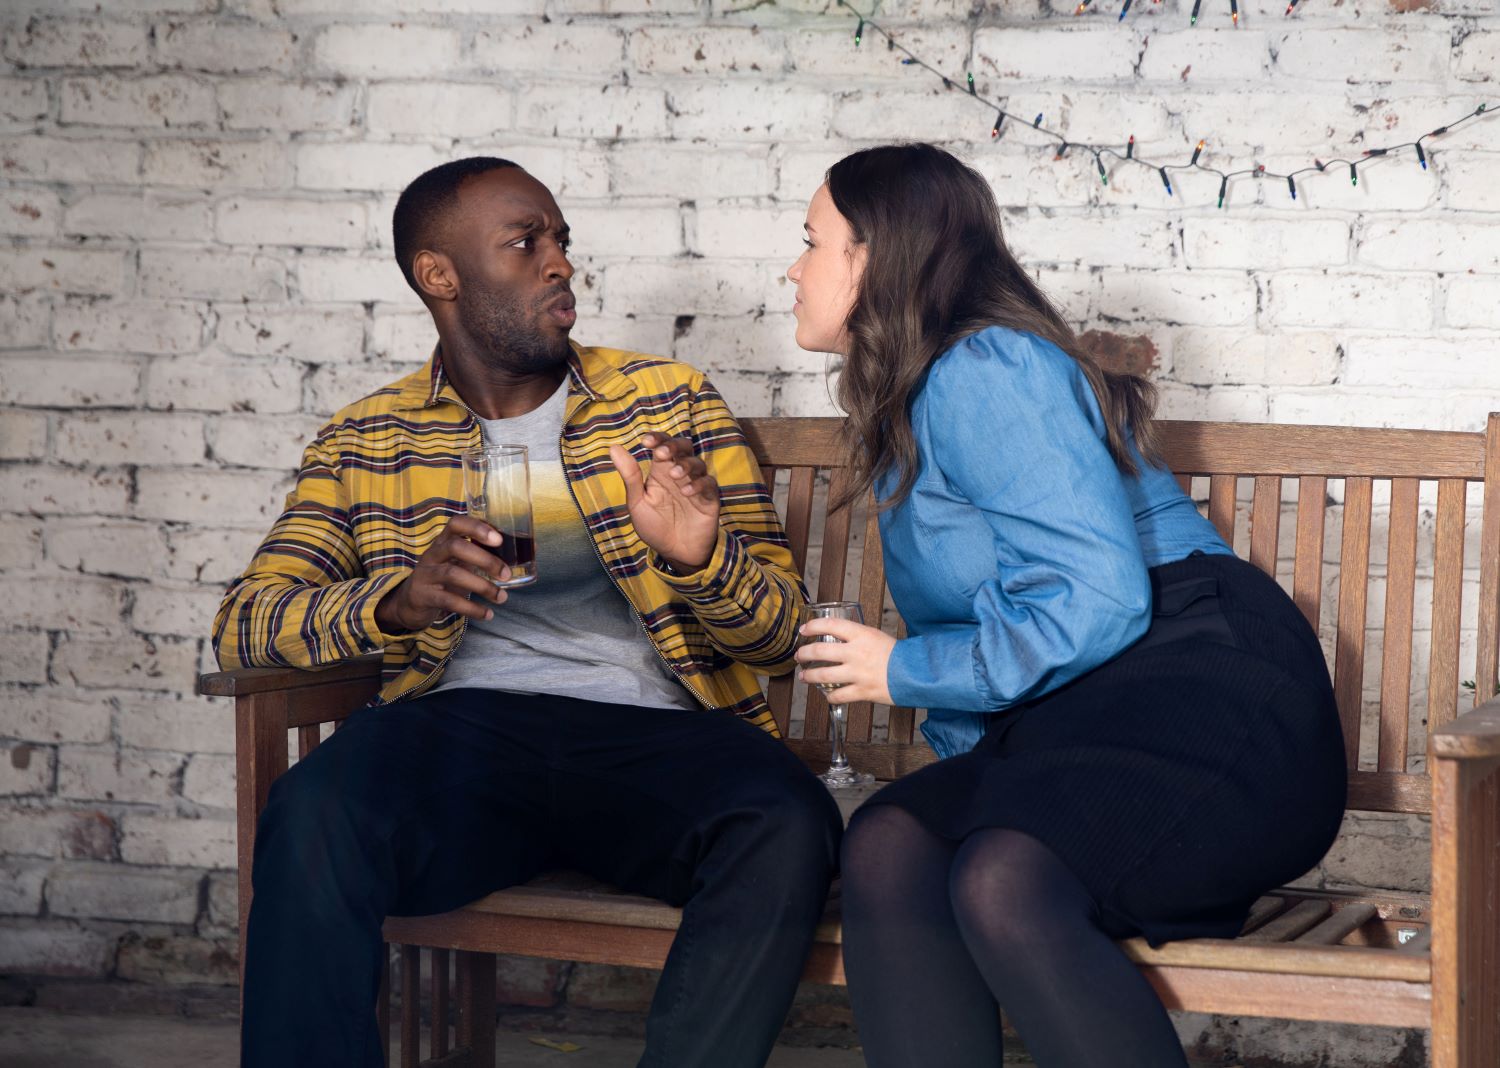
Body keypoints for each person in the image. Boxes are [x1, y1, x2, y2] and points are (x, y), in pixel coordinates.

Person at [213, 156, 841, 1068]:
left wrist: (702, 556)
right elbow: (246, 622)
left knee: (785, 820)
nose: (561, 265)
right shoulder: (368, 437)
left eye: (562, 242)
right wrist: (394, 602)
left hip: (650, 738)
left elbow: (783, 635)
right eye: (526, 244)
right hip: (460, 738)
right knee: (313, 807)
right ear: (440, 276)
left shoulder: (665, 401)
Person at [786, 143, 1347, 1068]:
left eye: (812, 242)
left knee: (1002, 876)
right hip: (1090, 704)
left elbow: (1097, 595)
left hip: (1202, 680)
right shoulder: (916, 398)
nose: (794, 268)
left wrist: (903, 669)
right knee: (892, 844)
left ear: (874, 258)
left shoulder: (985, 368)